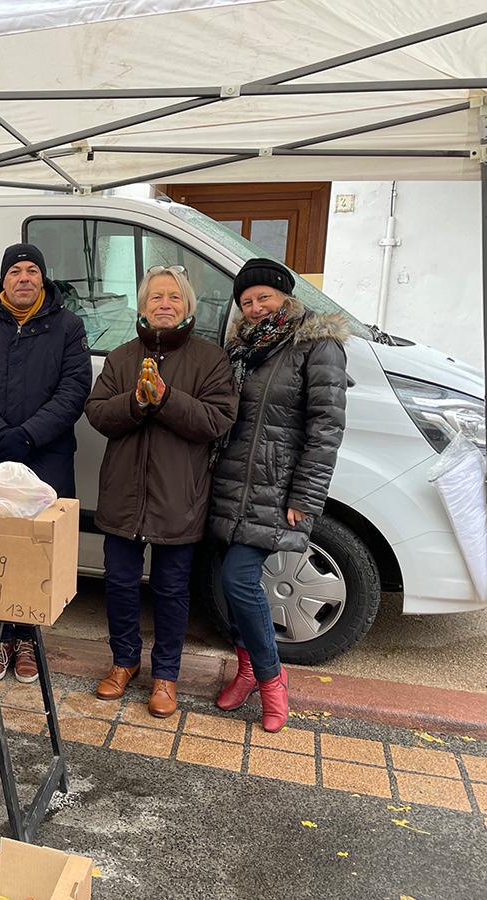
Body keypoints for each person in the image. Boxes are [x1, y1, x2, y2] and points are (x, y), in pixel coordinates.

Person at [85, 266, 238, 717]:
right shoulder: (121, 357)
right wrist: (136, 401)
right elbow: (97, 413)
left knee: (172, 590)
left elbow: (217, 420)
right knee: (120, 584)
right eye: (155, 298)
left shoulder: (210, 359)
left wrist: (166, 398)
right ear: (142, 305)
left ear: (187, 305)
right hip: (123, 495)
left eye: (173, 297)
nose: (164, 304)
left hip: (179, 496)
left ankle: (166, 675)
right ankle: (123, 662)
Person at [210, 257, 349, 732]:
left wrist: (305, 495)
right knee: (228, 586)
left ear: (286, 296)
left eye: (263, 297)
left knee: (238, 580)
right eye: (246, 301)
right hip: (228, 484)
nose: (253, 308)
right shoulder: (241, 349)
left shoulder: (316, 345)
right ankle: (247, 667)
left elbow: (326, 428)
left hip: (275, 487)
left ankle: (271, 678)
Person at [0, 244, 92, 683]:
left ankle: (27, 638)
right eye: (16, 271)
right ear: (4, 280)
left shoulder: (67, 326)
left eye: (33, 270)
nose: (25, 278)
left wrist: (28, 434)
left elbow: (74, 389)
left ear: (43, 279)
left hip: (43, 455)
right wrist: (0, 434)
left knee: (34, 552)